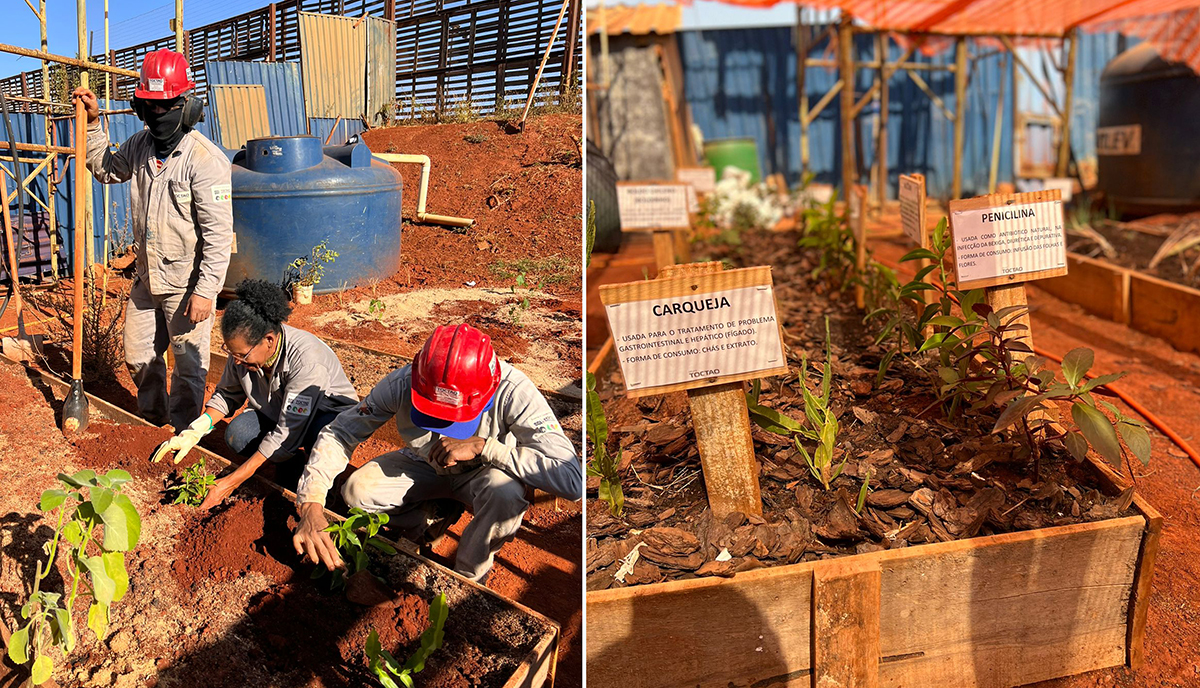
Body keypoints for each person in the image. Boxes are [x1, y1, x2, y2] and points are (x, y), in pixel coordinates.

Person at [291, 323, 581, 583]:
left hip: (484, 474)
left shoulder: (514, 390)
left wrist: (485, 447)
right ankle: (430, 519)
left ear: (487, 391)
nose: (444, 428)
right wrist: (311, 501)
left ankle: (468, 578)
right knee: (356, 491)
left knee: (504, 494)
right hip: (425, 464)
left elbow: (571, 480)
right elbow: (341, 431)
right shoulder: (402, 383)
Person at [73, 48, 233, 431]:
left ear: (186, 106)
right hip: (147, 278)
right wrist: (94, 124)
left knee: (188, 368)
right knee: (139, 353)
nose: (159, 116)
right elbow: (106, 169)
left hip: (186, 283)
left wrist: (206, 290)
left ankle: (182, 433)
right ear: (141, 107)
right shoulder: (139, 146)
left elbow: (218, 234)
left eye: (167, 106)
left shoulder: (205, 160)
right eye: (151, 107)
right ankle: (152, 424)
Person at [150, 279, 359, 510]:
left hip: (326, 414)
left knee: (319, 436)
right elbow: (228, 395)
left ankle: (324, 494)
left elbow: (287, 432)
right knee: (238, 435)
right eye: (232, 353)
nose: (236, 360)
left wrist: (231, 481)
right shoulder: (244, 351)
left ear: (269, 340)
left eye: (241, 355)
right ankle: (289, 465)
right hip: (282, 410)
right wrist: (196, 429)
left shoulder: (307, 361)